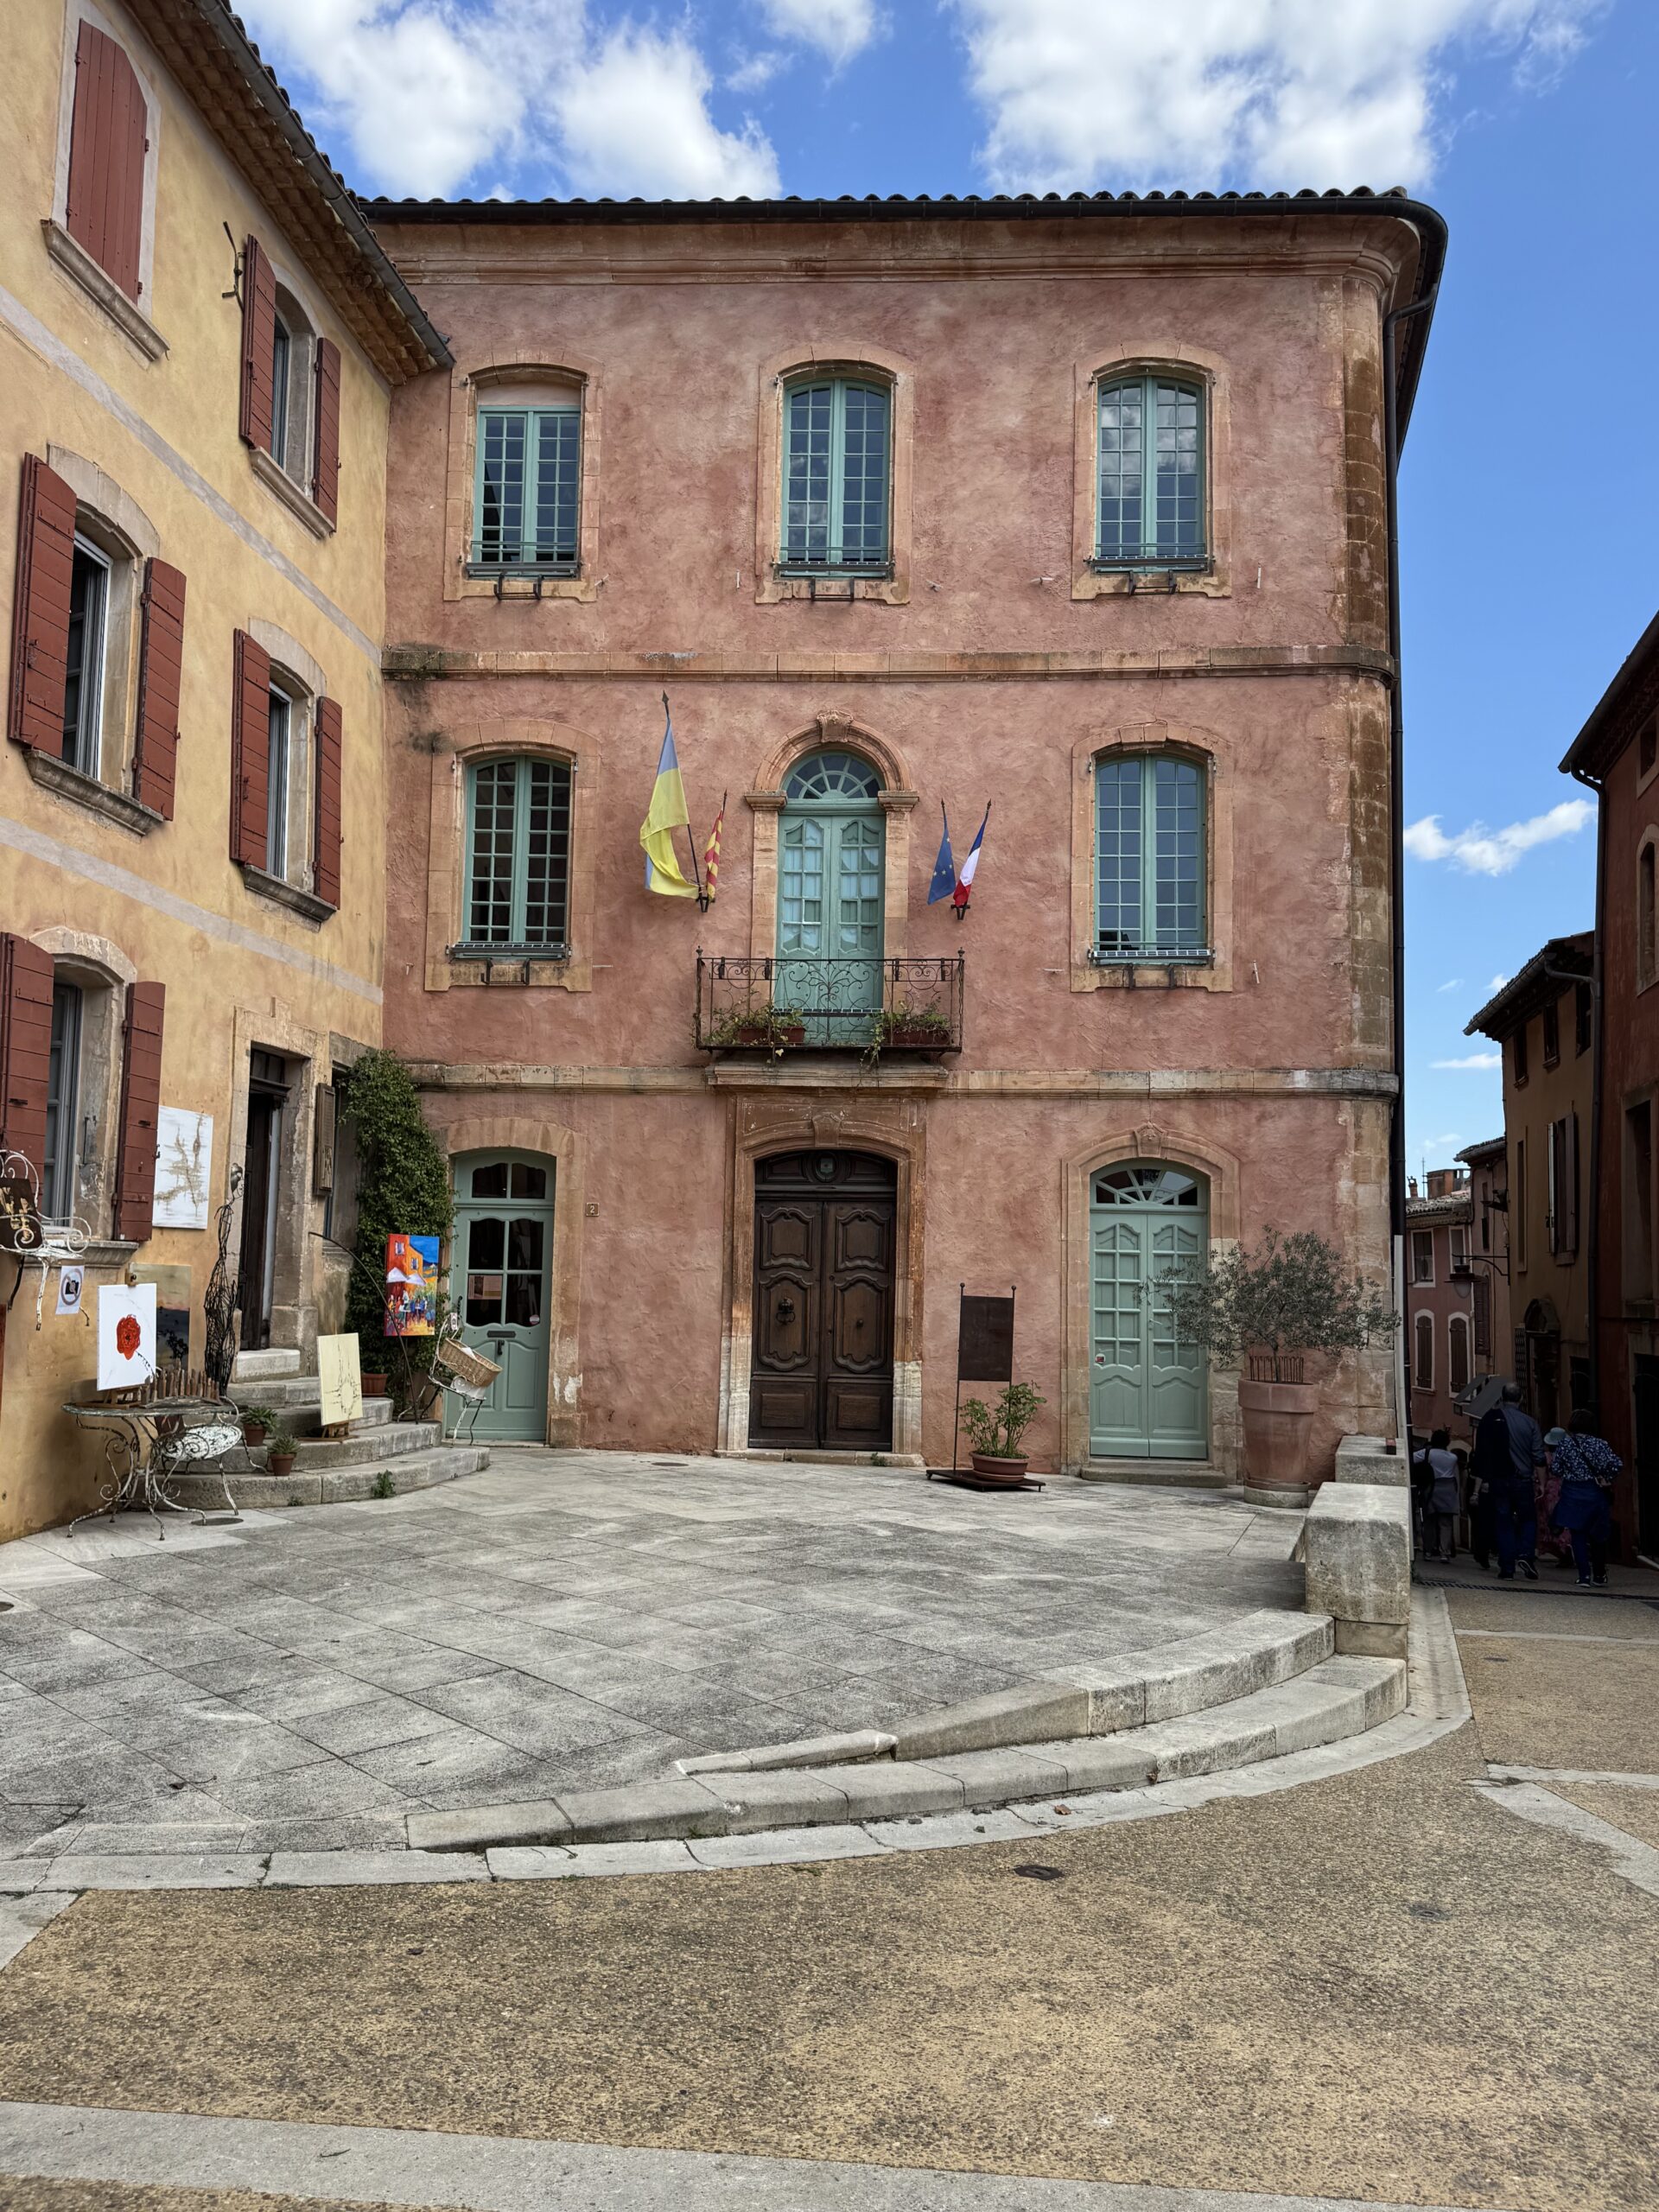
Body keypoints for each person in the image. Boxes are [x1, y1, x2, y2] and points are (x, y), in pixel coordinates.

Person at [1550, 1409, 1622, 1586]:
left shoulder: (1565, 1445)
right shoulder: (1600, 1444)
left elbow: (1556, 1469)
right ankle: (1599, 1574)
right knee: (1598, 1534)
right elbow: (1617, 1464)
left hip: (1573, 1493)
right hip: (1595, 1492)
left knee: (1578, 1535)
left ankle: (1584, 1577)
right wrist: (1607, 1478)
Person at [1487, 1381, 1544, 1580]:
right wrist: (1542, 1484)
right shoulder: (1530, 1424)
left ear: (1502, 1398)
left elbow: (1486, 1452)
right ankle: (1526, 1554)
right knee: (1528, 1519)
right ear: (1521, 1399)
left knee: (1503, 1521)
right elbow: (1538, 1457)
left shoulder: (1493, 1420)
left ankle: (1507, 1567)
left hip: (1500, 1479)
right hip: (1523, 1479)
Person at [1418, 1428, 1461, 1561]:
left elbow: (1410, 1458)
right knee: (1446, 1523)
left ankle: (1428, 1551)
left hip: (1432, 1488)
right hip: (1448, 1490)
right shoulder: (1453, 1458)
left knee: (1429, 1522)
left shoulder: (1427, 1453)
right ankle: (1445, 1553)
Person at [1537, 1427, 1572, 1566]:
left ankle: (1562, 1554)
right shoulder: (1569, 1456)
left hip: (1550, 1491)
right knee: (1565, 1521)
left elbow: (1539, 1474)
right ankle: (1566, 1548)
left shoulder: (1546, 1457)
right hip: (1566, 1490)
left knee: (1549, 1522)